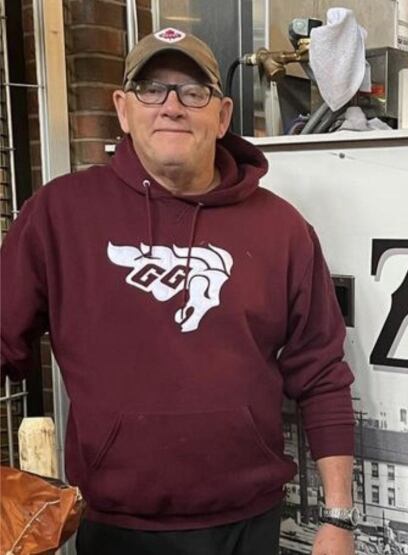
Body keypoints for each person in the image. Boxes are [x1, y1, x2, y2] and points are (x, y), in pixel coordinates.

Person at [1, 28, 357, 555]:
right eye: (151, 89)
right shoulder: (59, 215)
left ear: (223, 114)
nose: (171, 106)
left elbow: (322, 373)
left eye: (193, 91)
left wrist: (338, 518)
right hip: (116, 530)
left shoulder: (282, 230)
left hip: (249, 525)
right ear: (123, 110)